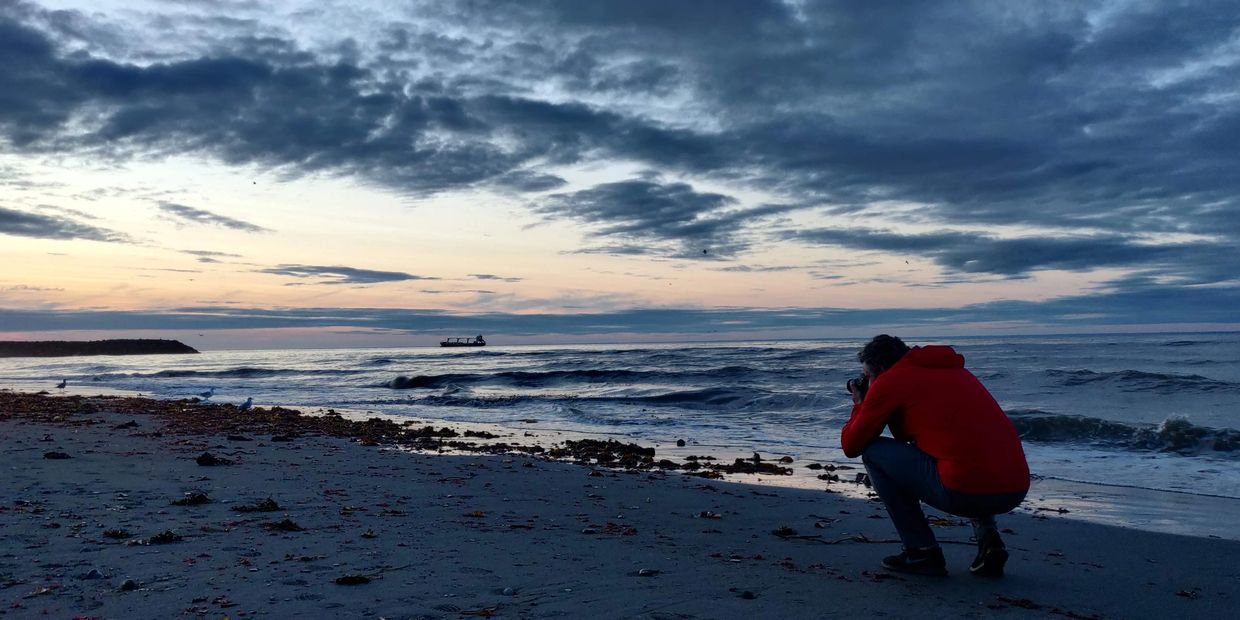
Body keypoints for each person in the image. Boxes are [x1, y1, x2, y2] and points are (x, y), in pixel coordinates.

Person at [840, 335, 1029, 577]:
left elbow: (851, 445)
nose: (866, 381)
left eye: (867, 376)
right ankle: (989, 541)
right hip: (1015, 488)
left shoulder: (890, 381)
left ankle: (921, 551)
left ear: (879, 369)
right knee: (967, 454)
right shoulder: (957, 373)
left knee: (874, 452)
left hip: (965, 492)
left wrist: (859, 403)